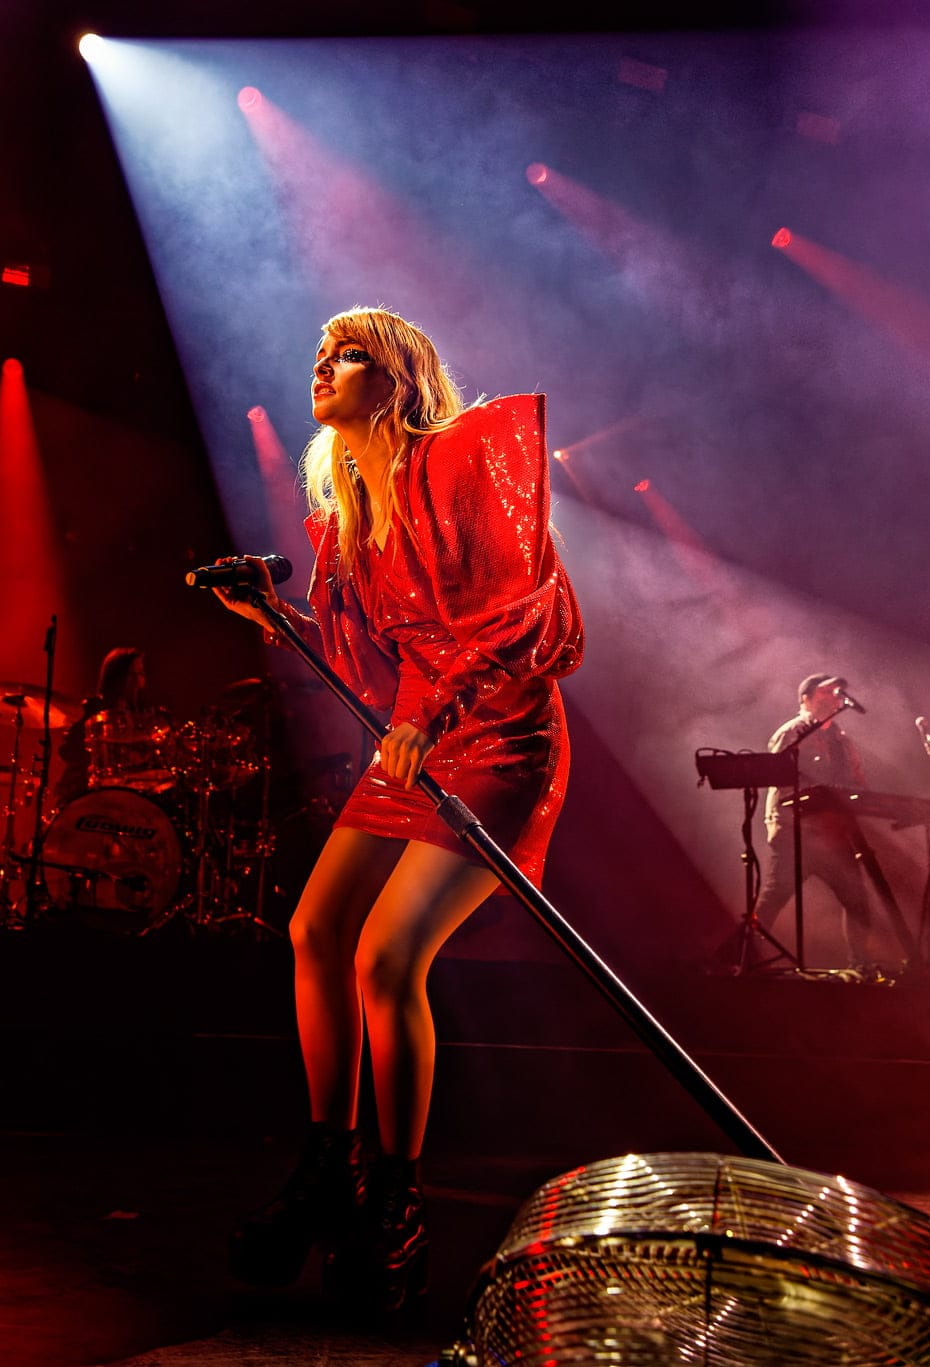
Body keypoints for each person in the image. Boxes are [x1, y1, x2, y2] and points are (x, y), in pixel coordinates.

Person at [208, 306, 583, 1312]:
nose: (326, 364)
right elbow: (359, 672)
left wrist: (436, 712)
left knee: (385, 953)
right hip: (415, 737)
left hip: (498, 735)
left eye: (352, 354)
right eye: (321, 353)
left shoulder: (461, 460)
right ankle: (326, 1166)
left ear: (403, 378)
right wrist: (274, 617)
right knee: (315, 928)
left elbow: (528, 612)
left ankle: (396, 1201)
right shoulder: (341, 519)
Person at [743, 672, 878, 967]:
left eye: (838, 692)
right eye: (826, 693)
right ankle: (743, 958)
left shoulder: (843, 742)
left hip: (834, 835)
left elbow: (858, 783)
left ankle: (861, 964)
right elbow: (777, 776)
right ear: (806, 698)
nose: (835, 697)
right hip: (796, 832)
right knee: (774, 898)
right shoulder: (793, 733)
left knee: (857, 902)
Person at [54, 646, 153, 804]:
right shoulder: (94, 710)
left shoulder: (139, 715)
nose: (139, 680)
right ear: (117, 678)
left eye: (141, 674)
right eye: (133, 674)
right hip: (86, 793)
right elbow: (68, 751)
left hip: (124, 793)